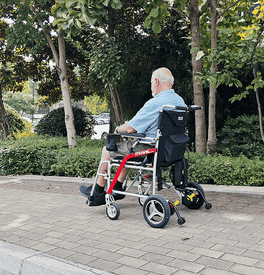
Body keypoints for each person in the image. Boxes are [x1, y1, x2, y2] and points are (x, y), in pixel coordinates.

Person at [79, 67, 186, 206]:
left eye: (151, 82)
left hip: (150, 149)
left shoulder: (155, 103)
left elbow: (130, 128)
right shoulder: (180, 102)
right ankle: (117, 186)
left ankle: (98, 190)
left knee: (108, 150)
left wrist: (118, 129)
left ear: (156, 81)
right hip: (172, 151)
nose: (151, 86)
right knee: (128, 149)